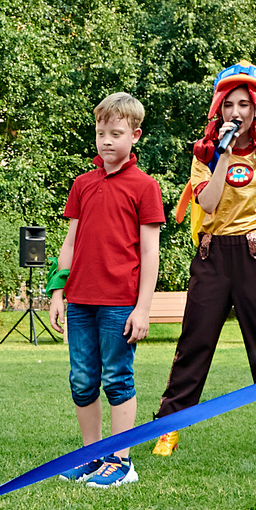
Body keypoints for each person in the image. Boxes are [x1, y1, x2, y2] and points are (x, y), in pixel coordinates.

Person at [150, 64, 256, 461]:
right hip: (212, 254)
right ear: (218, 110)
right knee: (194, 343)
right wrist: (221, 153)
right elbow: (207, 202)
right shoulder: (204, 154)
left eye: (245, 104)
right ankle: (169, 427)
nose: (235, 112)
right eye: (229, 105)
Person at [48, 92, 166, 489]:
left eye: (116, 133)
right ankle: (91, 457)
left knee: (117, 378)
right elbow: (69, 243)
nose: (106, 141)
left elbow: (150, 252)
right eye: (101, 132)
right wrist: (57, 292)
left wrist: (143, 308)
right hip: (80, 301)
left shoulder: (145, 187)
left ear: (135, 135)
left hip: (120, 304)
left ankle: (121, 460)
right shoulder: (82, 184)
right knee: (82, 379)